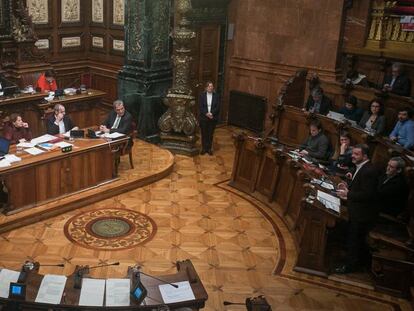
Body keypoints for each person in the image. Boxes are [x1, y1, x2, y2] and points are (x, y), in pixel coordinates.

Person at [335, 144, 380, 273]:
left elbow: (367, 194)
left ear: (365, 156)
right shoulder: (362, 167)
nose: (352, 156)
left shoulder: (369, 171)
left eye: (356, 154)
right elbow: (361, 188)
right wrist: (348, 188)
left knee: (354, 241)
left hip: (361, 213)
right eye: (353, 153)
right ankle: (348, 260)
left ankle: (349, 267)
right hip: (356, 209)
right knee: (351, 239)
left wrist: (348, 194)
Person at [199, 81, 220, 155]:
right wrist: (206, 113)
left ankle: (209, 148)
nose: (210, 88)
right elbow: (201, 107)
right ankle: (204, 148)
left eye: (211, 86)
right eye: (209, 86)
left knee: (210, 134)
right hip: (204, 118)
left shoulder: (216, 96)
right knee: (204, 133)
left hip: (212, 118)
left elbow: (217, 107)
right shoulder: (202, 96)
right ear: (206, 88)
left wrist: (211, 113)